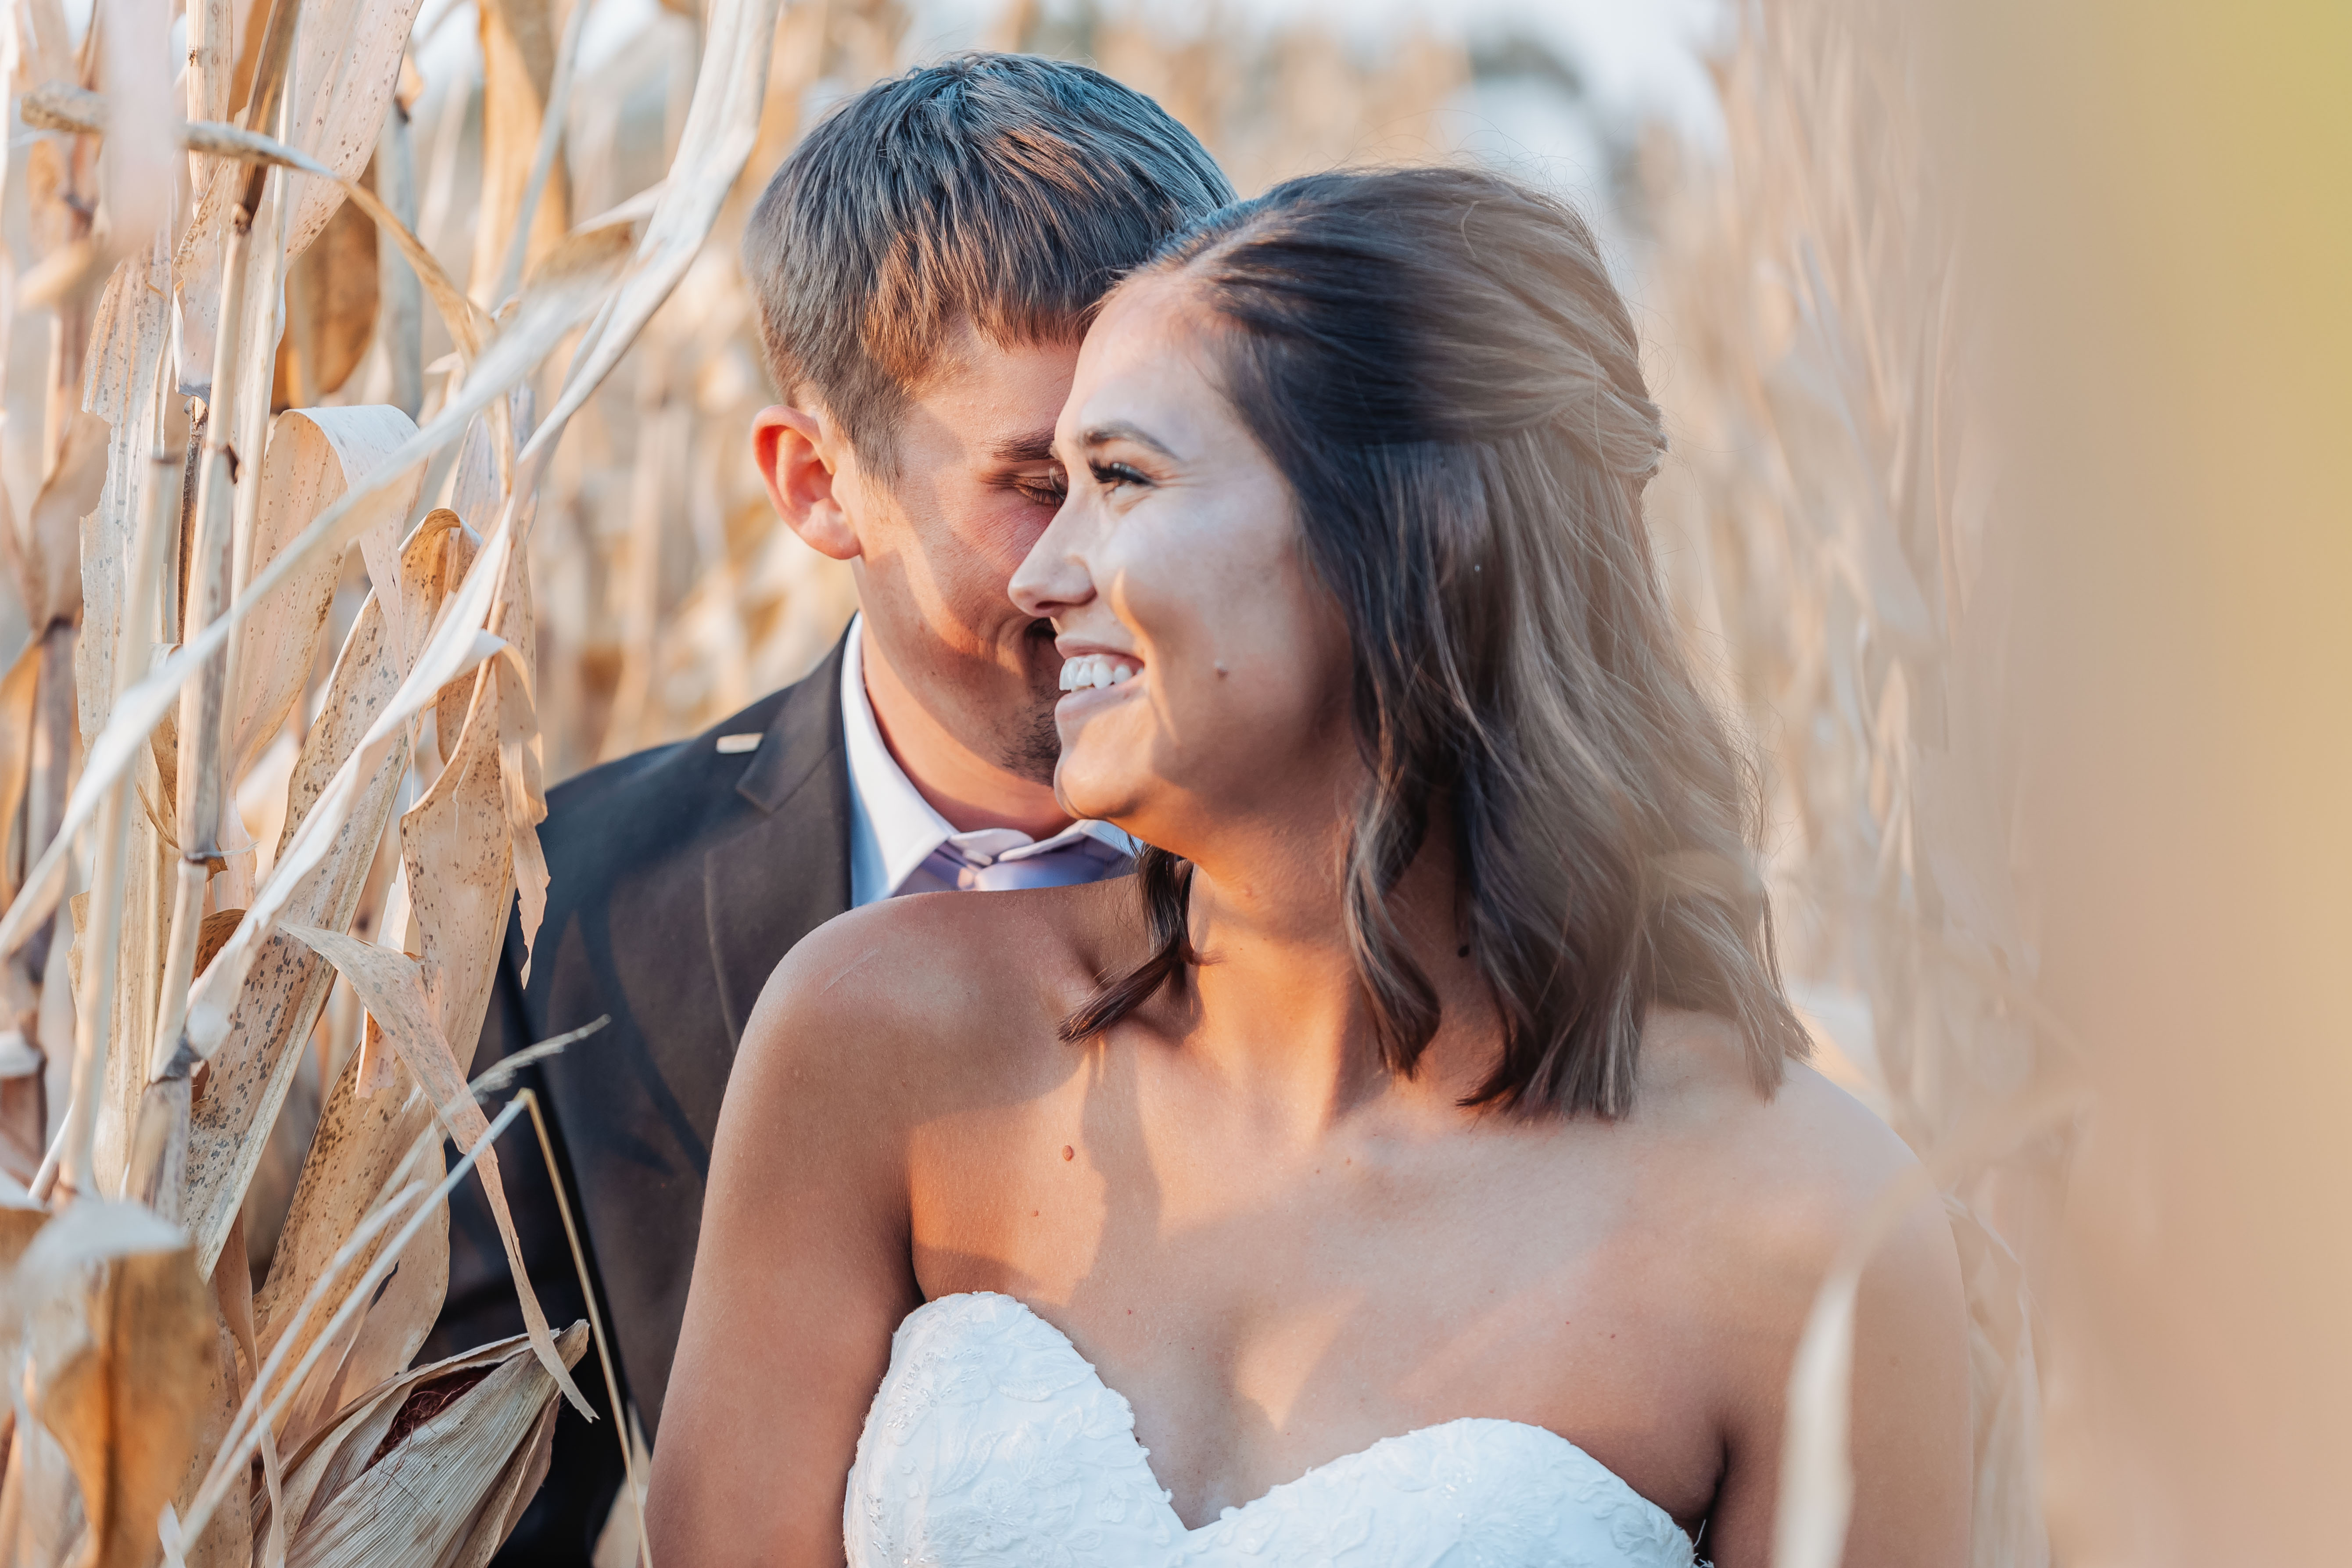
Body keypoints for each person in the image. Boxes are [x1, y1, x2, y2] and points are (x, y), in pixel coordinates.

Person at [650, 166, 1972, 1567]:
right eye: (1049, 485)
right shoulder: (879, 1044)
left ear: (1409, 538)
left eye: (1120, 480)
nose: (1047, 578)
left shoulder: (1803, 1220)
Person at [423, 55, 1233, 1561]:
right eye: (1032, 482)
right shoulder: (575, 911)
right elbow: (485, 1509)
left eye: (1146, 470)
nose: (1102, 566)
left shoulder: (1375, 866)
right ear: (817, 484)